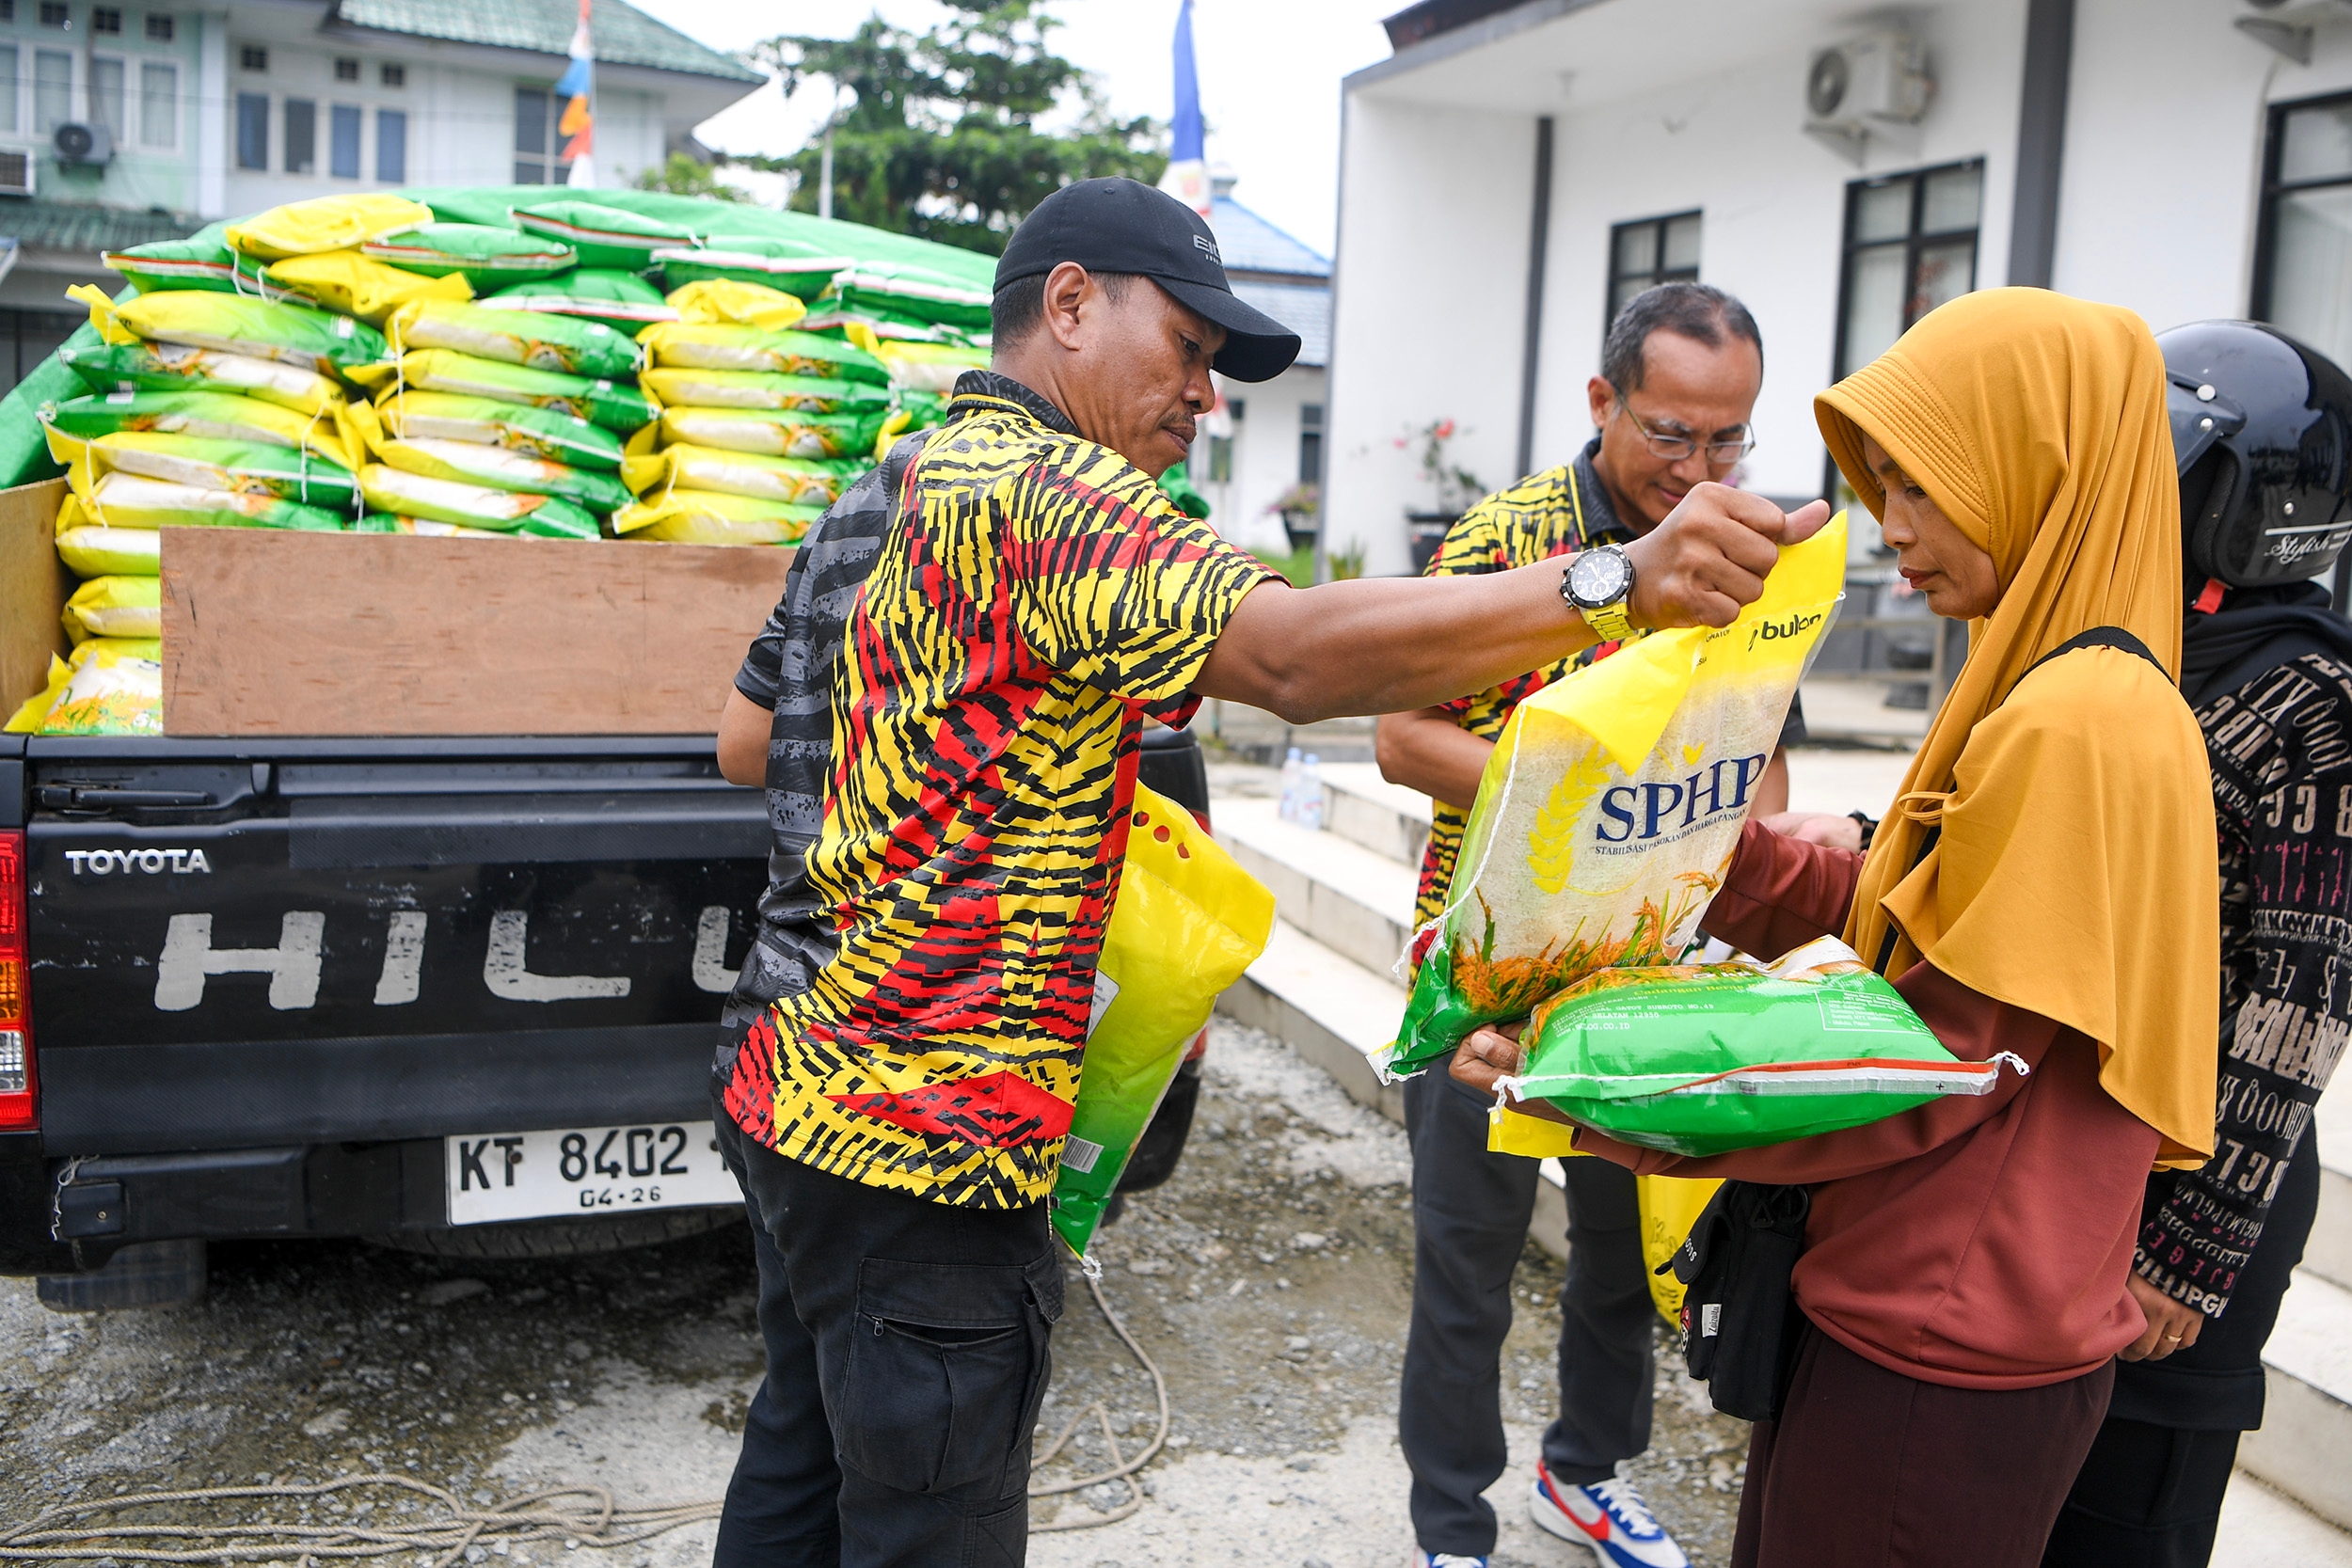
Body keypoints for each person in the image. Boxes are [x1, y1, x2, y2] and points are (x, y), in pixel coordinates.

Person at [703, 175, 1830, 1568]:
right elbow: (1289, 659)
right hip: (930, 1129)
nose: (1207, 396)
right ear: (1068, 306)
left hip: (790, 1086)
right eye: (1186, 347)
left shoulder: (879, 490)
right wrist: (1613, 585)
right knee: (926, 1524)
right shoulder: (1051, 493)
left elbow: (748, 741)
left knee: (799, 1472)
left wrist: (981, 767)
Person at [1452, 286, 2224, 1568]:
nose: (1891, 529)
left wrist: (1589, 1082)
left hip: (1946, 1341)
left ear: (2043, 466)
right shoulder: (2064, 676)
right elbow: (1906, 925)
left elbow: (1925, 1062)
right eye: (1879, 485)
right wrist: (1684, 848)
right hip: (1946, 1312)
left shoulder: (2071, 722)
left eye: (1923, 486)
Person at [1375, 281, 1801, 1568]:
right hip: (1486, 970)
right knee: (1469, 1267)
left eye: (1731, 441)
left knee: (1625, 1259)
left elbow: (1765, 769)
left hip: (1647, 973)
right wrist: (1596, 799)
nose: (1703, 471)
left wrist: (1735, 832)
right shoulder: (1509, 543)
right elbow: (1403, 736)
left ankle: (1587, 1475)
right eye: (1674, 434)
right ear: (1603, 402)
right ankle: (1451, 1527)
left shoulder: (1745, 553)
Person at [2040, 321, 2352, 1567]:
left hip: (2196, 1203)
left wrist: (2193, 1254)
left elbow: (2303, 997)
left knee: (2128, 1524)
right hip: (2088, 1153)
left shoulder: (2312, 706)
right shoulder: (2153, 652)